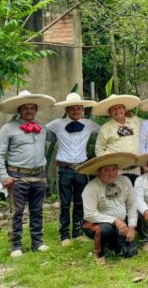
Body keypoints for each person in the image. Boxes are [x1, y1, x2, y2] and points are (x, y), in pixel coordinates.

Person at [0, 90, 55, 257]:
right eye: (25, 108)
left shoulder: (42, 127)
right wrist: (3, 176)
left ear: (36, 110)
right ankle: (16, 245)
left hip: (39, 176)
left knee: (37, 210)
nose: (29, 111)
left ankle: (38, 242)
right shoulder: (8, 128)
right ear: (19, 110)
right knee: (17, 212)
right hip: (17, 177)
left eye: (32, 108)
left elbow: (59, 134)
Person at [47, 93, 100, 246]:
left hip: (82, 169)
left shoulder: (89, 124)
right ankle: (64, 235)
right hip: (64, 169)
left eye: (79, 109)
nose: (76, 111)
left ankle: (77, 232)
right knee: (64, 203)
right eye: (73, 109)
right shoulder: (57, 124)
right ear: (67, 109)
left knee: (80, 201)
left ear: (83, 110)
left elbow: (105, 129)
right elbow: (42, 132)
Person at [78, 152, 140, 263]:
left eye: (114, 169)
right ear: (98, 171)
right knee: (105, 230)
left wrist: (131, 227)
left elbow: (131, 205)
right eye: (106, 170)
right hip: (94, 224)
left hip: (120, 224)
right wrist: (115, 220)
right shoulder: (91, 187)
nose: (111, 173)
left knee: (131, 252)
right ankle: (99, 254)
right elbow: (89, 214)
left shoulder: (125, 181)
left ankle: (112, 244)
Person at [93, 94, 142, 183]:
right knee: (118, 195)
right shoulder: (106, 128)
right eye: (114, 109)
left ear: (125, 109)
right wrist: (108, 166)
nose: (117, 110)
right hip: (117, 171)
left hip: (136, 169)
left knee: (135, 195)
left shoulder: (135, 121)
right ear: (110, 112)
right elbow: (99, 149)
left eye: (120, 107)